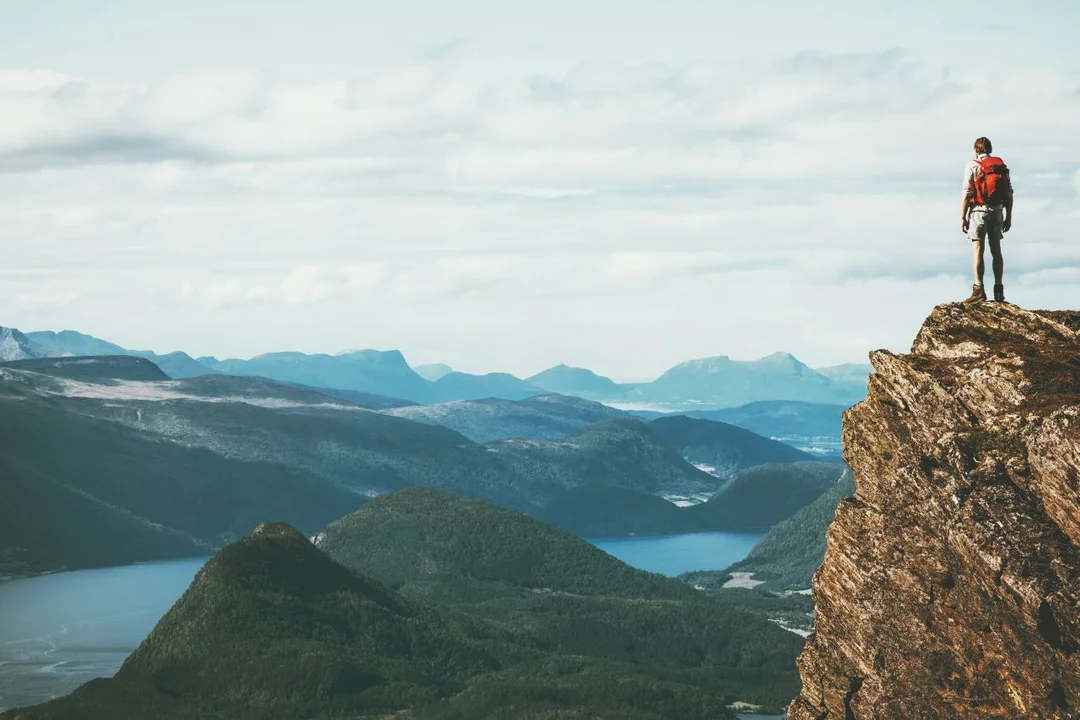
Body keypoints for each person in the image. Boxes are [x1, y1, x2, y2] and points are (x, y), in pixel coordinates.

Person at [961, 137, 1013, 303]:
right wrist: (1009, 216)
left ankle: (979, 289)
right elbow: (1009, 194)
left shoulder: (972, 165)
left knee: (979, 249)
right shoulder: (1001, 167)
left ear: (976, 150)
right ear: (990, 149)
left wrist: (963, 217)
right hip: (997, 211)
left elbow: (967, 193)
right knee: (996, 250)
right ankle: (998, 289)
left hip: (979, 211)